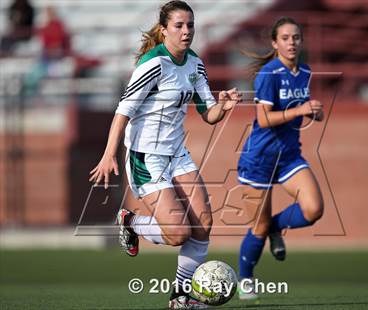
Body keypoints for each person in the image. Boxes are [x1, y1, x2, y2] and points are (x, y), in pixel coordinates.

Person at [89, 1, 241, 309]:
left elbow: (208, 114)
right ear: (164, 30)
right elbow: (123, 111)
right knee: (178, 233)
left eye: (190, 26)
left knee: (204, 223)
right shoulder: (153, 63)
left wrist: (222, 106)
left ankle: (180, 298)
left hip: (177, 153)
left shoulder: (195, 64)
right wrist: (109, 154)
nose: (186, 32)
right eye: (179, 26)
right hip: (146, 158)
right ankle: (130, 222)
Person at [236, 17, 324, 300]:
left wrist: (313, 111)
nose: (291, 43)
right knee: (257, 227)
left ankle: (276, 227)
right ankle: (245, 279)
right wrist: (300, 112)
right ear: (275, 43)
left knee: (313, 210)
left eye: (296, 37)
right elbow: (263, 118)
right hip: (259, 159)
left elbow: (301, 107)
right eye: (285, 38)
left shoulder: (305, 70)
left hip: (288, 157)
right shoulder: (269, 74)